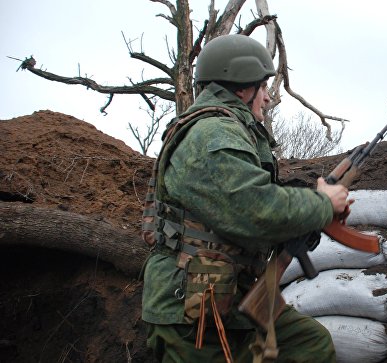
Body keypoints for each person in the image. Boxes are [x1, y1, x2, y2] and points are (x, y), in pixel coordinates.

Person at [141, 34, 347, 362]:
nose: (267, 98)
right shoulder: (213, 134)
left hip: (227, 295)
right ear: (241, 89)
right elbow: (256, 209)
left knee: (309, 344)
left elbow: (239, 208)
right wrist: (322, 204)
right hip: (190, 310)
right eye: (262, 87)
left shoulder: (228, 130)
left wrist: (300, 224)